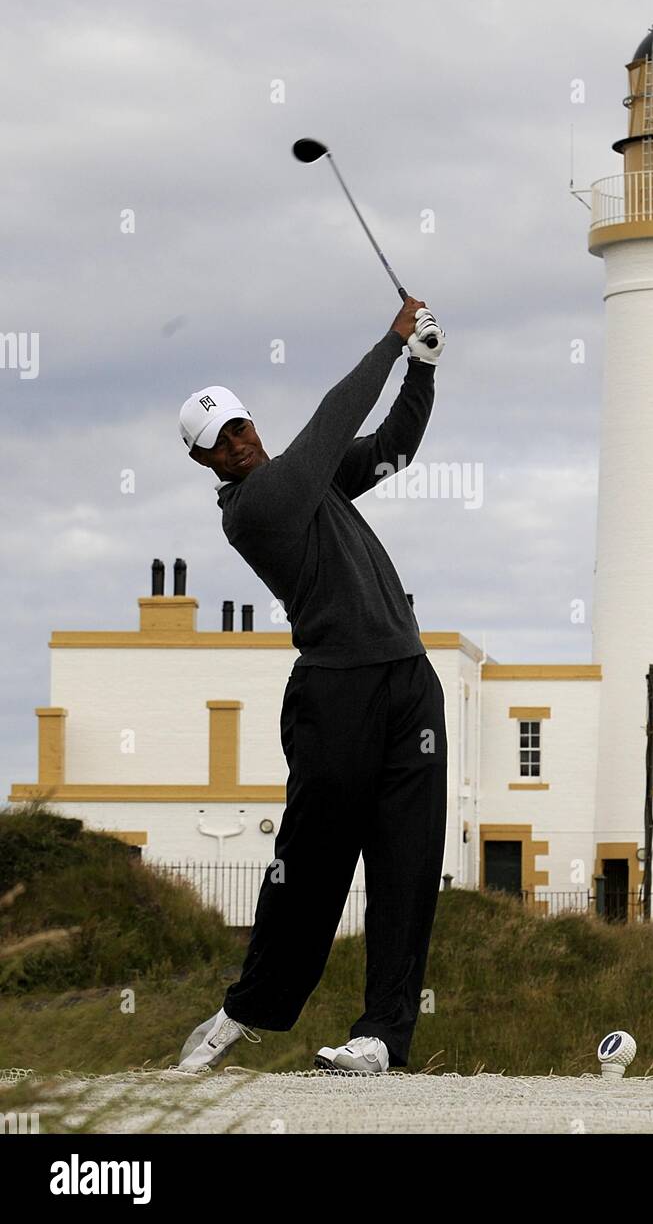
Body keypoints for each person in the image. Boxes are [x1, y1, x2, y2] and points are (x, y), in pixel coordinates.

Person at [175, 297, 447, 1075]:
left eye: (241, 423)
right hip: (334, 698)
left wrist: (422, 370)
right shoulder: (257, 507)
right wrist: (391, 341)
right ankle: (246, 1010)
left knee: (406, 868)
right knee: (312, 870)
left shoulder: (309, 485)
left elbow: (392, 449)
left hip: (407, 682)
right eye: (220, 439)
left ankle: (381, 1039)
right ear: (205, 462)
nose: (239, 439)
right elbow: (331, 422)